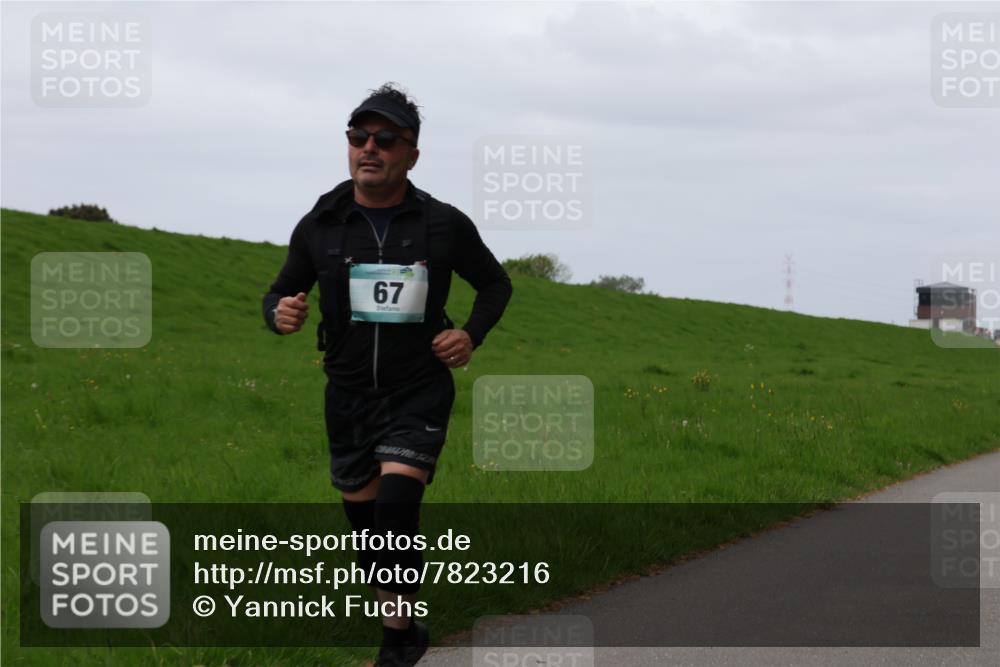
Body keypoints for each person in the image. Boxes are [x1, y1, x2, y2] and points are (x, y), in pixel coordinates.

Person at [261, 83, 512, 666]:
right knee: (367, 525)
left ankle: (396, 641)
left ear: (412, 155)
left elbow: (495, 284)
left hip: (417, 389)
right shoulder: (320, 223)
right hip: (347, 395)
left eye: (386, 139)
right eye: (359, 136)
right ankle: (403, 626)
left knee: (396, 508)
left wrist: (469, 334)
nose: (369, 148)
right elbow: (279, 291)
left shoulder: (443, 224)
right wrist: (279, 314)